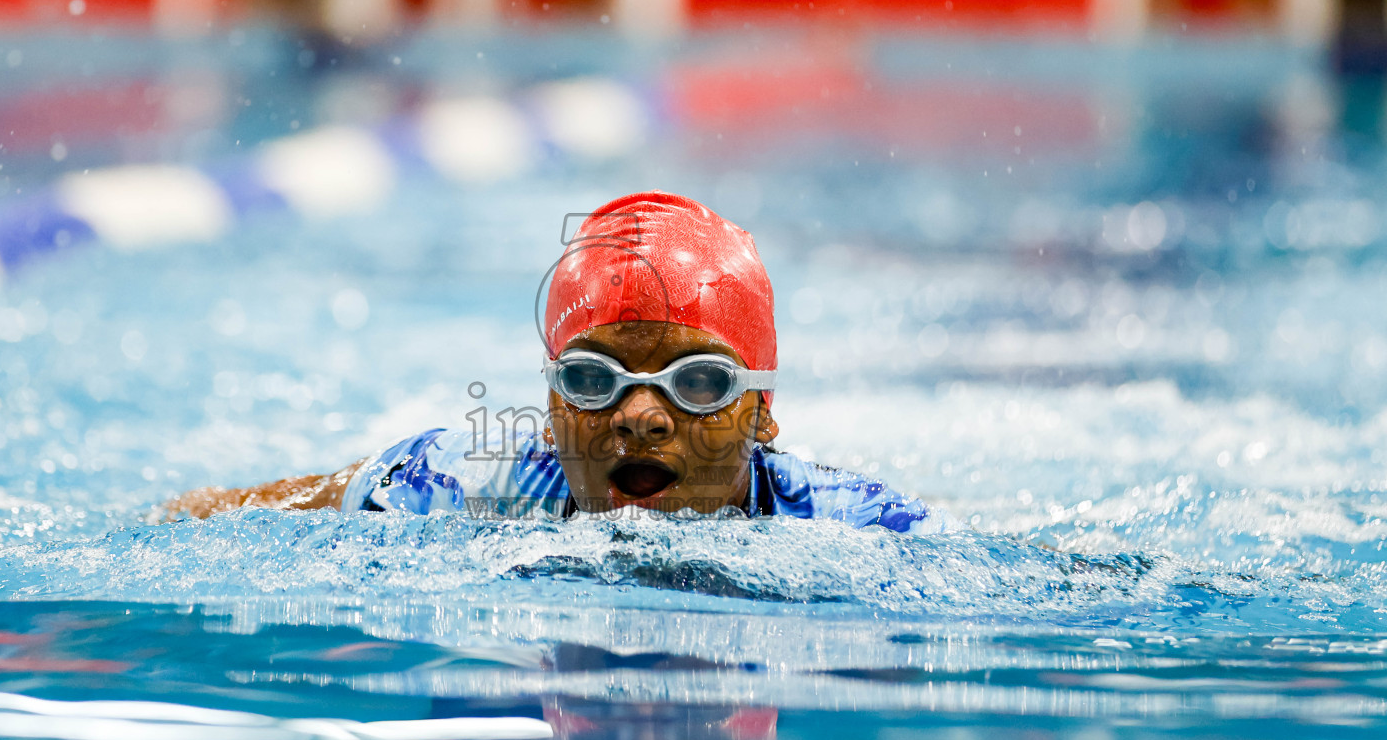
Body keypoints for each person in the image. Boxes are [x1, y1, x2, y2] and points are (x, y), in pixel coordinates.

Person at [164, 191, 943, 532]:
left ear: (763, 413)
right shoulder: (458, 487)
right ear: (550, 410)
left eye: (699, 383)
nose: (640, 417)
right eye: (594, 380)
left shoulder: (858, 528)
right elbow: (216, 517)